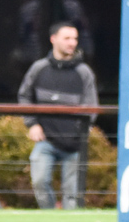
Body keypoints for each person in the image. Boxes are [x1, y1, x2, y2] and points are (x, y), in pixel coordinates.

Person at [18, 22, 99, 209]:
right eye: (67, 38)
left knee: (72, 197)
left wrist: (82, 133)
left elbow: (92, 106)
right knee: (39, 182)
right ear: (53, 39)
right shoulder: (39, 68)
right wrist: (32, 124)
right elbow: (24, 95)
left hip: (75, 144)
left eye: (75, 39)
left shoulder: (84, 72)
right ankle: (49, 219)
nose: (72, 43)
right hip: (46, 140)